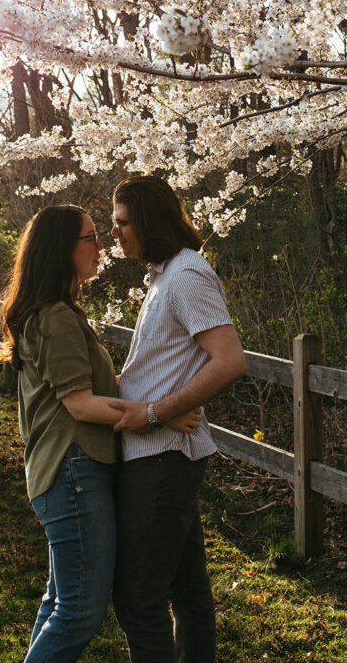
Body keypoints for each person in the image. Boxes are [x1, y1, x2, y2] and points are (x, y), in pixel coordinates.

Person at [0, 203, 200, 663]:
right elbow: (81, 404)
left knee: (60, 602)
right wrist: (159, 412)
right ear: (61, 249)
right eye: (91, 238)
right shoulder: (54, 317)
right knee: (79, 612)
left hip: (70, 471)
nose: (101, 246)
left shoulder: (57, 311)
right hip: (73, 473)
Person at [107, 175, 247, 663]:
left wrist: (155, 412)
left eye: (122, 223)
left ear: (147, 220)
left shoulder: (187, 274)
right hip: (159, 454)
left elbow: (229, 361)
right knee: (189, 593)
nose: (116, 233)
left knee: (139, 598)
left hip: (162, 458)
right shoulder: (166, 276)